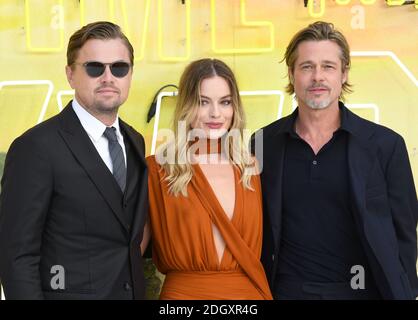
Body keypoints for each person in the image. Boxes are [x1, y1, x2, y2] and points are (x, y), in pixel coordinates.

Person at [255, 21, 418, 300]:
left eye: (328, 66)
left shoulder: (385, 145)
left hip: (361, 292)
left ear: (343, 74)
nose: (317, 76)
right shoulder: (262, 144)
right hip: (285, 293)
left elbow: (405, 234)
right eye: (307, 66)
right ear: (292, 74)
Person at [0, 21, 149, 299]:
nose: (108, 77)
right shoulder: (34, 148)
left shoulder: (135, 142)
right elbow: (17, 256)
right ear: (70, 75)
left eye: (119, 67)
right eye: (94, 67)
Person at [146, 58, 272, 299]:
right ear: (186, 106)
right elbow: (128, 249)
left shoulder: (252, 169)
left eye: (225, 102)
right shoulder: (158, 170)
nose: (216, 113)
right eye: (203, 102)